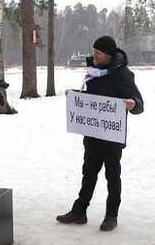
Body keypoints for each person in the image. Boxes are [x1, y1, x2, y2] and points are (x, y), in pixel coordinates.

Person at [56, 35, 144, 232]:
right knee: (88, 174)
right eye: (93, 51)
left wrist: (133, 104)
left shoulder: (123, 74)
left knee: (113, 176)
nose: (93, 55)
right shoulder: (93, 72)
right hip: (92, 133)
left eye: (97, 53)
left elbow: (139, 103)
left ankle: (111, 215)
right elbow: (93, 99)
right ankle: (80, 211)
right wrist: (77, 97)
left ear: (108, 55)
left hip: (113, 137)